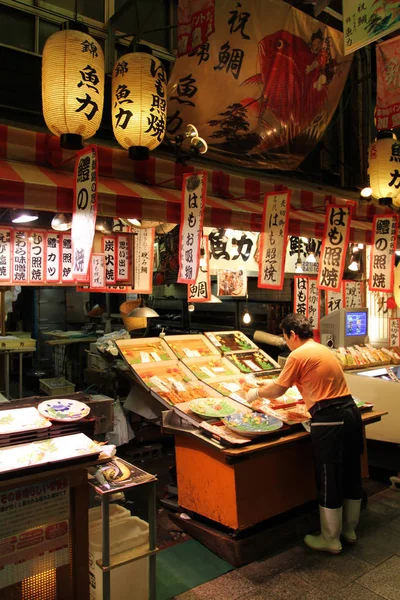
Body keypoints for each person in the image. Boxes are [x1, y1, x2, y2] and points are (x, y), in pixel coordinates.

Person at [246, 313, 364, 555]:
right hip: (351, 413)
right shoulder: (321, 349)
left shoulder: (297, 354)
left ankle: (330, 539)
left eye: (285, 337)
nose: (286, 342)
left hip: (329, 418)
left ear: (292, 335)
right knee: (352, 471)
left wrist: (256, 393)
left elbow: (278, 390)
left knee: (329, 475)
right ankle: (349, 531)